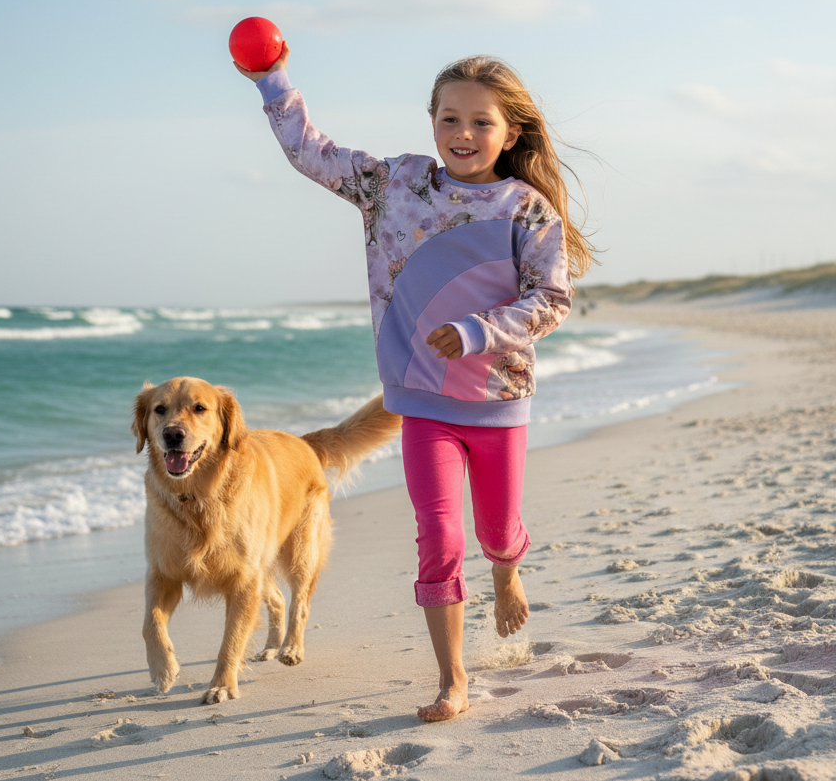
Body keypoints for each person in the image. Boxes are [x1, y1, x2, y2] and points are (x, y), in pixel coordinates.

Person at [236, 44, 596, 721]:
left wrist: (476, 332)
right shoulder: (393, 185)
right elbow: (310, 152)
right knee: (439, 536)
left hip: (496, 403)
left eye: (481, 123)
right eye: (450, 119)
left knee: (495, 531)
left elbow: (551, 298)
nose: (464, 134)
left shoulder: (526, 209)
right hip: (420, 402)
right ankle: (452, 678)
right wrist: (272, 81)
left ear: (511, 132)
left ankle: (507, 569)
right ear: (431, 122)